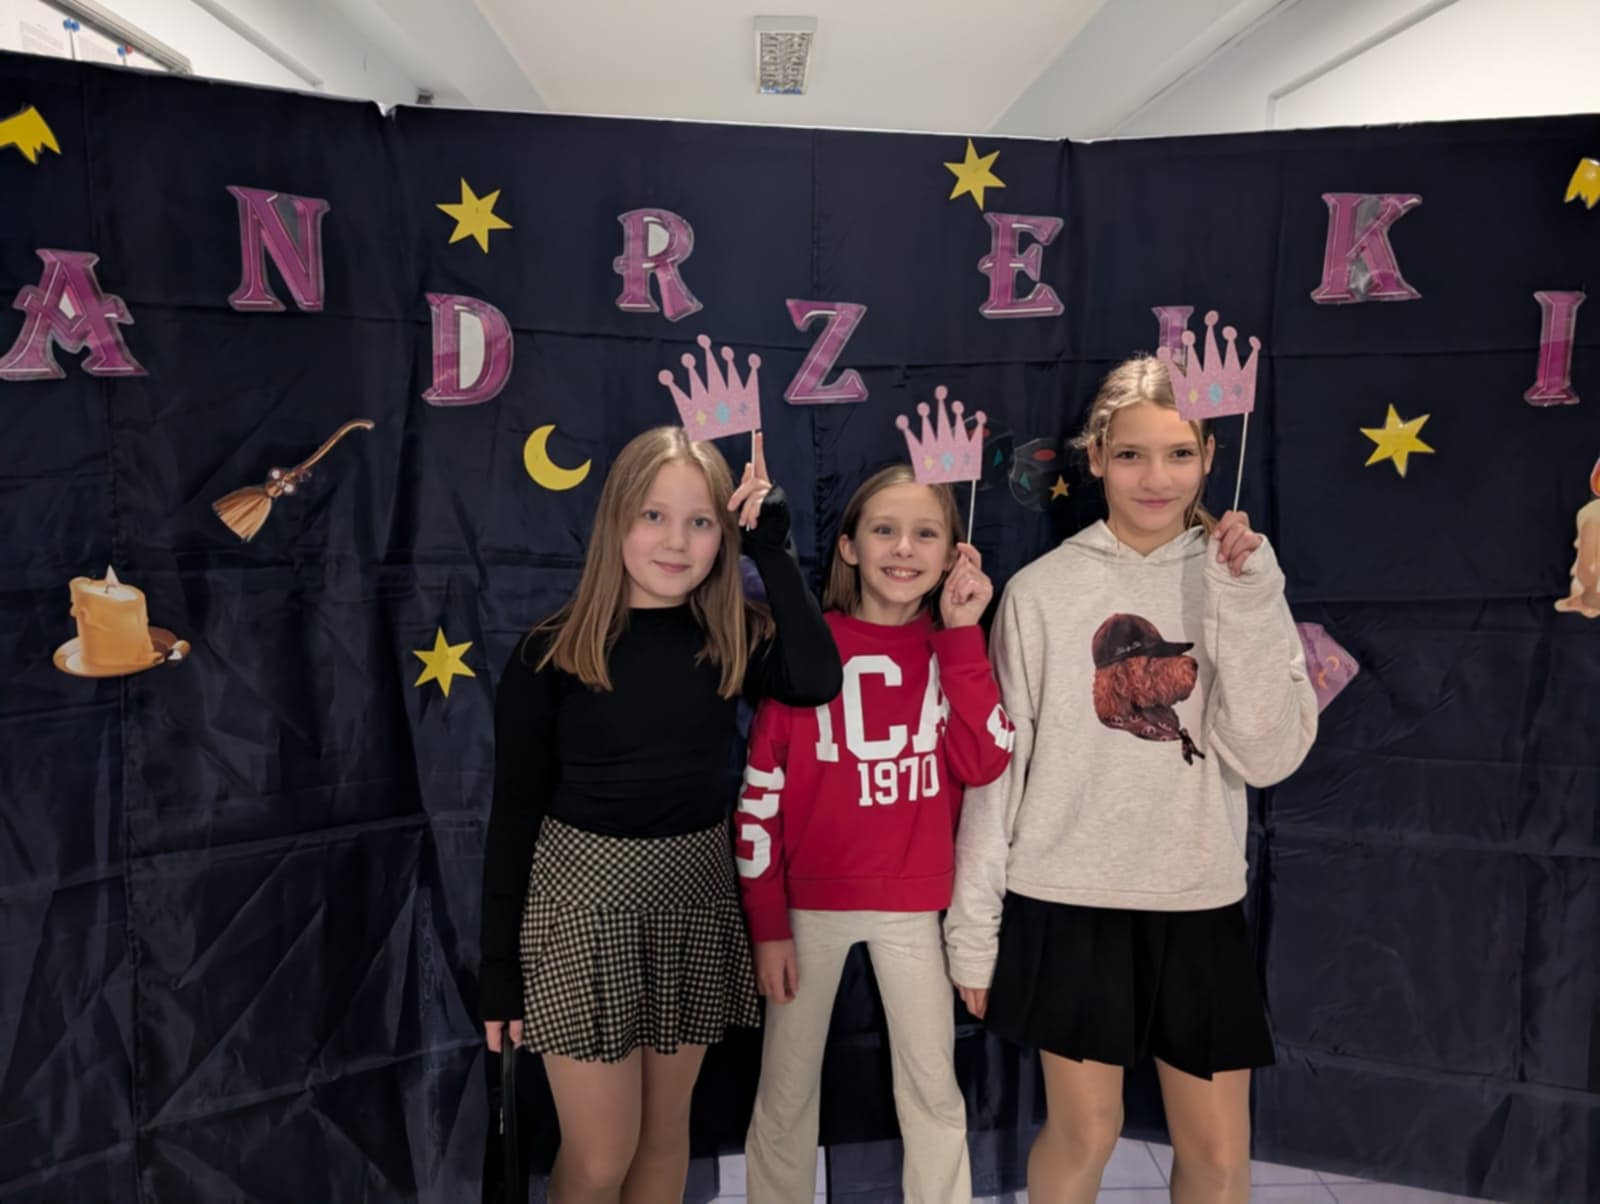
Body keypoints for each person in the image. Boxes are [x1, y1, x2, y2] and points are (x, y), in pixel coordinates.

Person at [946, 357, 1318, 1204]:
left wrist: (1248, 599)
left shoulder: (1244, 578)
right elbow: (998, 775)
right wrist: (974, 931)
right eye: (1130, 455)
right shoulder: (1040, 593)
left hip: (1196, 896)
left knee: (1218, 1151)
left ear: (1210, 457)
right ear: (1095, 458)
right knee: (1085, 1132)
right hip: (1067, 900)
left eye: (1179, 454)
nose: (1156, 478)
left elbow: (1266, 757)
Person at [479, 427, 841, 1204]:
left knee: (664, 1135)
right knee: (601, 1155)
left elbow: (816, 678)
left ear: (724, 535)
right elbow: (511, 821)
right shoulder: (550, 652)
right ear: (616, 520)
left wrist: (772, 547)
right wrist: (499, 975)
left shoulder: (732, 635)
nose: (676, 541)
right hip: (581, 915)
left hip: (692, 903)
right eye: (654, 516)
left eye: (701, 521)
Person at [738, 464, 1013, 1203]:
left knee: (933, 1093)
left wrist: (963, 635)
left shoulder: (954, 649)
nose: (904, 548)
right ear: (850, 546)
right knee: (784, 1094)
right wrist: (768, 924)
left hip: (914, 907)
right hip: (807, 909)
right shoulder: (807, 646)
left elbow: (986, 762)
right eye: (885, 530)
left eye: (926, 533)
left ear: (953, 552)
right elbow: (759, 798)